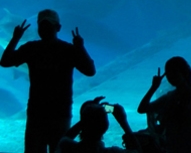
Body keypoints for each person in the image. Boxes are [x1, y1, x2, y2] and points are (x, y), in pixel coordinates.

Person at [0, 9, 96, 153]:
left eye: (46, 26)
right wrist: (80, 48)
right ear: (57, 28)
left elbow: (5, 61)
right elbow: (90, 71)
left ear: (57, 28)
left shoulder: (32, 48)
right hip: (57, 113)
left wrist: (15, 38)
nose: (44, 29)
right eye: (42, 26)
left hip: (39, 114)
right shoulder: (67, 50)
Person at [137, 56, 191, 153]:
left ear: (184, 72)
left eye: (174, 72)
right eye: (168, 73)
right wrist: (154, 87)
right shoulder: (169, 98)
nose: (170, 76)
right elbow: (142, 109)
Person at [57, 100, 140, 153]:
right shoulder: (114, 152)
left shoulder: (67, 147)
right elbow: (138, 151)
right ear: (106, 126)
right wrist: (123, 122)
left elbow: (66, 137)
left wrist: (89, 113)